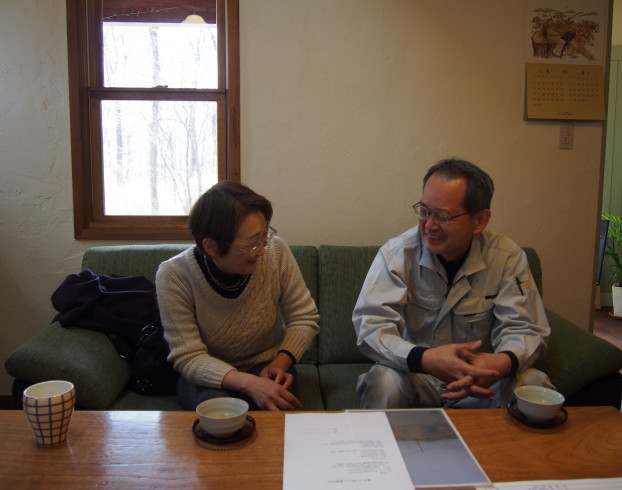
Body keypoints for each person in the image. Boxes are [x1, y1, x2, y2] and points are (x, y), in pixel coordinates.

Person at [353, 158, 552, 409]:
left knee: (534, 382)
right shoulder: (397, 255)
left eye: (443, 215)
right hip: (419, 376)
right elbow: (371, 327)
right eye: (424, 211)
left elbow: (526, 329)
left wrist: (500, 363)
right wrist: (424, 359)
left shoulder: (507, 258)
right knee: (382, 381)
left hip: (479, 383)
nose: (429, 225)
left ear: (480, 220)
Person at [156, 182, 319, 411]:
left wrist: (280, 363)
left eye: (265, 235)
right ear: (211, 247)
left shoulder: (276, 252)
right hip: (209, 375)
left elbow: (304, 318)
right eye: (252, 243)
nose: (262, 249)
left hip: (266, 365)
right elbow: (188, 357)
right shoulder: (175, 275)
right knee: (222, 415)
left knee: (273, 407)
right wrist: (250, 384)